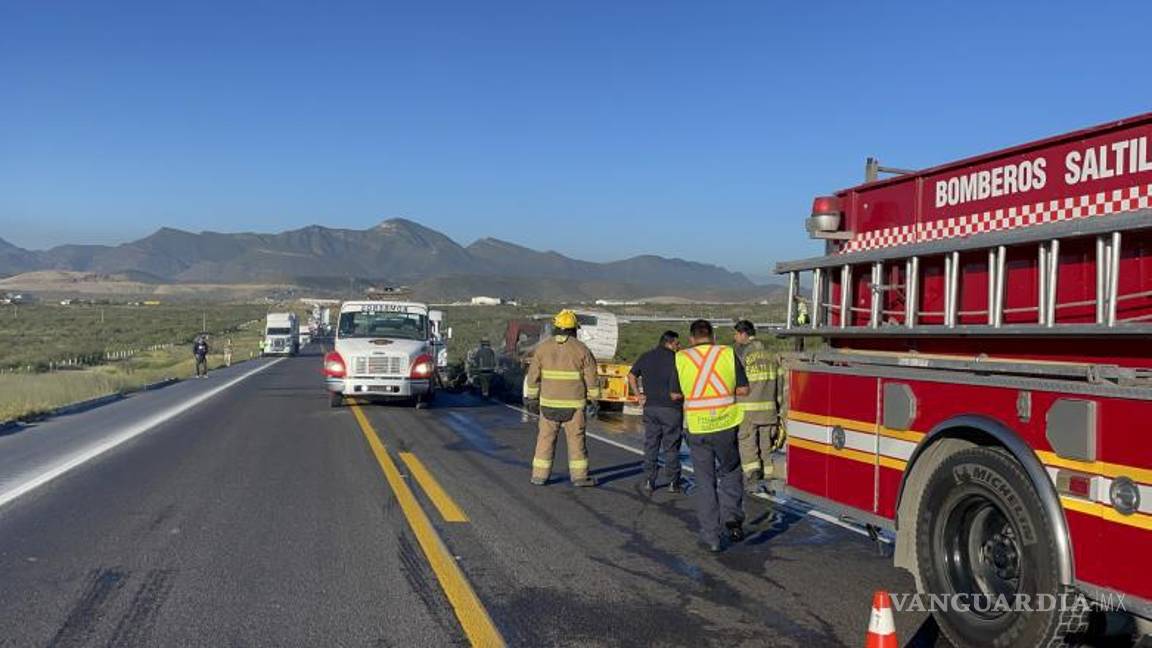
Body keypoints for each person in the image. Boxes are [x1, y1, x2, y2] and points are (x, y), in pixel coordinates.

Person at [672, 319, 749, 552]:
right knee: (730, 470)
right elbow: (744, 389)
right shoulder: (727, 353)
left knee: (705, 482)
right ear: (713, 337)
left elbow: (675, 394)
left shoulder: (681, 358)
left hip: (697, 428)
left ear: (691, 339)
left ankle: (712, 537)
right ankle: (733, 520)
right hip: (726, 425)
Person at [523, 309, 601, 487]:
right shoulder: (582, 349)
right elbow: (592, 378)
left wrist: (531, 399)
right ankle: (580, 477)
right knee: (576, 441)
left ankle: (539, 476)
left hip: (548, 406)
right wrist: (595, 400)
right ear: (574, 329)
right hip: (574, 408)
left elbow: (532, 377)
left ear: (556, 327)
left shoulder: (542, 348)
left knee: (545, 440)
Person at [627, 330, 684, 493]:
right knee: (671, 447)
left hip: (650, 408)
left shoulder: (646, 356)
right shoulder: (677, 359)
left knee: (651, 445)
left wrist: (639, 395)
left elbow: (631, 376)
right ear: (670, 343)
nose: (679, 346)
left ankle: (649, 481)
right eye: (677, 343)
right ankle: (673, 482)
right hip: (671, 409)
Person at [733, 320, 783, 493]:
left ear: (743, 334)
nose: (735, 338)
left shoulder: (742, 355)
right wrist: (778, 409)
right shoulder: (772, 355)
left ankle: (753, 476)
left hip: (747, 409)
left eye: (736, 334)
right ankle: (768, 476)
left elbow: (736, 382)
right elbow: (780, 385)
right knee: (765, 445)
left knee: (747, 443)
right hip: (769, 410)